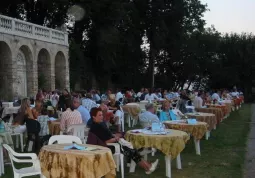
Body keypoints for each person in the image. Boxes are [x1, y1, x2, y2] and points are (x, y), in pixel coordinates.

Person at [89, 107, 158, 174]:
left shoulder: (100, 123)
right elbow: (105, 142)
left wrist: (115, 135)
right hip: (108, 146)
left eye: (102, 115)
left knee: (129, 143)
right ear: (93, 117)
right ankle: (148, 167)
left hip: (113, 142)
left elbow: (108, 134)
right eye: (99, 115)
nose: (102, 116)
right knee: (130, 150)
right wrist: (115, 138)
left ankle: (145, 164)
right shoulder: (96, 127)